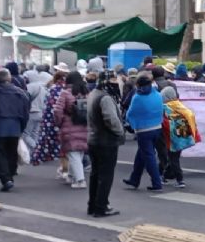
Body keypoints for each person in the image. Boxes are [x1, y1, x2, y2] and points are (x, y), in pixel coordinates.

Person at [87, 70, 125, 217]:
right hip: (106, 141)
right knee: (105, 176)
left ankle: (93, 205)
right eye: (114, 81)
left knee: (95, 174)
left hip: (93, 139)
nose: (117, 84)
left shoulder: (93, 94)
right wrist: (120, 131)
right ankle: (101, 207)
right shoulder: (105, 98)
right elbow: (111, 120)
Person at [122, 74, 165, 192]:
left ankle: (157, 183)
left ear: (138, 85)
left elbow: (130, 113)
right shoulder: (157, 94)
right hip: (157, 128)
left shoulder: (137, 97)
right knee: (141, 155)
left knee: (149, 157)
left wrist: (129, 123)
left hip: (143, 130)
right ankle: (134, 179)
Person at [0, 68, 30, 192]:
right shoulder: (20, 93)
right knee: (12, 151)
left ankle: (6, 178)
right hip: (15, 126)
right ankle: (10, 174)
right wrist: (22, 127)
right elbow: (26, 112)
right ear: (9, 78)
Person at [53, 71, 90, 189]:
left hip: (69, 126)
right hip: (84, 126)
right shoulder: (86, 93)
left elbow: (57, 111)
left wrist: (59, 122)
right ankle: (71, 176)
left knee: (73, 153)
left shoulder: (65, 93)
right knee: (79, 152)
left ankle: (80, 180)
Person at [160, 87, 199, 189]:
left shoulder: (165, 107)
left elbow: (163, 122)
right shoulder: (179, 105)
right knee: (174, 157)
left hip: (172, 137)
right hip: (182, 134)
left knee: (173, 159)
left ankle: (180, 179)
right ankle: (165, 175)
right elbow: (190, 115)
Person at [31, 71, 66, 168]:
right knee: (59, 137)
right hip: (62, 117)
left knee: (47, 136)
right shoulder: (66, 89)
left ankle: (46, 153)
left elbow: (47, 103)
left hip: (49, 116)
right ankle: (57, 153)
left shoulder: (52, 89)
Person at [23, 68, 52, 155]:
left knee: (25, 134)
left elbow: (25, 98)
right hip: (41, 112)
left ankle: (36, 147)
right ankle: (32, 154)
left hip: (32, 112)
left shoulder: (30, 87)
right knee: (35, 133)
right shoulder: (45, 88)